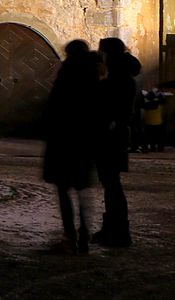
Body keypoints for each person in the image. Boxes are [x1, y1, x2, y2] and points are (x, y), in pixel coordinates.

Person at [43, 41, 102, 255]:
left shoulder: (66, 74)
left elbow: (53, 108)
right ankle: (84, 234)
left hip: (63, 140)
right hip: (85, 141)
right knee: (83, 190)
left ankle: (70, 237)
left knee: (64, 190)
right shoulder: (94, 77)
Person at [93, 37, 140, 247]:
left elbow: (108, 105)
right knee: (111, 183)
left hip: (112, 134)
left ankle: (117, 231)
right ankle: (115, 229)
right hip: (114, 133)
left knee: (111, 183)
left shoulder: (117, 78)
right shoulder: (122, 75)